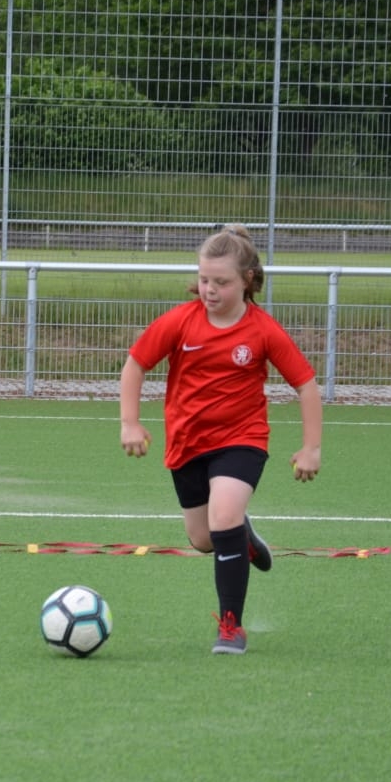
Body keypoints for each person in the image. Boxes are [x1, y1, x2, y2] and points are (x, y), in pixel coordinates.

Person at [118, 224, 322, 655]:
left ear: (247, 280)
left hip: (242, 439)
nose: (210, 290)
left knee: (224, 514)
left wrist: (311, 448)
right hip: (187, 443)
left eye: (221, 282)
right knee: (202, 538)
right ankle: (242, 538)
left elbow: (305, 384)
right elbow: (135, 364)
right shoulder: (180, 321)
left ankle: (231, 626)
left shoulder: (263, 330)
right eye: (204, 279)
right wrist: (129, 422)